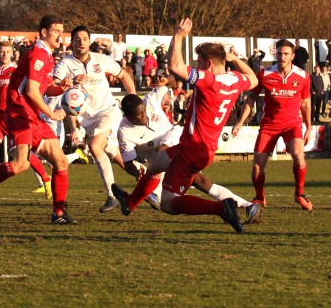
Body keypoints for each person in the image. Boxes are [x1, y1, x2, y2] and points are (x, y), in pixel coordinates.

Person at [111, 18, 260, 233]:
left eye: (199, 62)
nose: (198, 66)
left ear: (208, 64)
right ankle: (130, 203)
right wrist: (234, 58)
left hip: (193, 149)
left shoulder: (209, 80)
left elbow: (175, 66)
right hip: (198, 146)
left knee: (168, 203)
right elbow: (253, 79)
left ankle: (222, 209)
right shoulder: (235, 79)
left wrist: (179, 36)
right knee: (153, 165)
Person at [0, 16, 77, 224]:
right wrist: (51, 114)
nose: (61, 35)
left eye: (62, 31)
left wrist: (61, 88)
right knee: (20, 163)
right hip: (20, 113)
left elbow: (42, 87)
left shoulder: (47, 56)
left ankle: (58, 213)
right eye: (56, 31)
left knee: (61, 161)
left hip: (31, 115)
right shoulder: (38, 53)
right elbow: (31, 91)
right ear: (43, 33)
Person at [117, 92, 261, 221]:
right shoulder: (124, 132)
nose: (144, 116)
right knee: (200, 181)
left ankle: (139, 198)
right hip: (163, 162)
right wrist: (136, 171)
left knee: (160, 158)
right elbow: (129, 163)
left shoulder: (151, 100)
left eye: (144, 112)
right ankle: (247, 205)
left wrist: (166, 83)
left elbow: (166, 85)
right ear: (128, 116)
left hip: (175, 140)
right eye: (139, 115)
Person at [53, 25, 137, 213]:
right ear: (71, 42)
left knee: (94, 147)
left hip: (108, 111)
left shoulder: (102, 59)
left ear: (89, 41)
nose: (81, 42)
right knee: (122, 159)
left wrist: (133, 102)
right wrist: (70, 83)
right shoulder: (65, 64)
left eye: (84, 39)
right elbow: (53, 85)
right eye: (77, 39)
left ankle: (112, 196)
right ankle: (152, 185)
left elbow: (123, 75)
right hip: (87, 119)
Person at [233, 38, 313, 211]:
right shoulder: (265, 74)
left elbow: (306, 103)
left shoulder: (302, 77)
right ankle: (260, 197)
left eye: (286, 54)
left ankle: (299, 194)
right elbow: (251, 97)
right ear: (275, 53)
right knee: (256, 168)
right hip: (269, 126)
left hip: (292, 125)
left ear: (292, 56)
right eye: (279, 53)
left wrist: (309, 127)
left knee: (299, 157)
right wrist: (240, 122)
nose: (282, 57)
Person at [0, 41, 53, 208]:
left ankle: (46, 179)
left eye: (7, 51)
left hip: (14, 119)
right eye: (1, 51)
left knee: (22, 155)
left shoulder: (17, 71)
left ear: (12, 54)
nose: (4, 54)